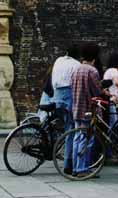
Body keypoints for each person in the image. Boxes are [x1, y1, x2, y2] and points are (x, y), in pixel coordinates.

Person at [70, 43, 107, 177]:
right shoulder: (92, 71)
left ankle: (75, 167)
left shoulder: (76, 69)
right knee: (87, 140)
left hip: (76, 108)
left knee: (77, 137)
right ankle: (82, 168)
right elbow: (97, 90)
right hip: (88, 110)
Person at [51, 44, 81, 174]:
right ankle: (68, 162)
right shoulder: (77, 65)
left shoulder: (58, 60)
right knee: (71, 129)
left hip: (57, 94)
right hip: (69, 93)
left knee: (59, 125)